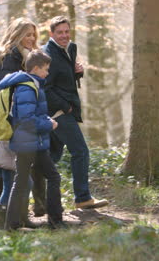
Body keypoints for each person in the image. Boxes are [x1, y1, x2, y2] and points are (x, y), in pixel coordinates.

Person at [42, 16, 108, 209]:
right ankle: (82, 198)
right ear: (51, 34)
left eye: (66, 31)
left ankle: (37, 199)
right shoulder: (48, 54)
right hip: (58, 113)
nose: (64, 35)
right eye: (60, 32)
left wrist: (77, 73)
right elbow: (46, 87)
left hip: (65, 109)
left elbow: (65, 78)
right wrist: (65, 106)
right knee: (80, 152)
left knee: (52, 156)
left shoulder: (70, 48)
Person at [0, 18, 46, 228]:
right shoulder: (8, 58)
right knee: (6, 167)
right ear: (16, 35)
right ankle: (2, 214)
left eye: (33, 35)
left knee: (11, 167)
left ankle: (11, 214)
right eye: (27, 34)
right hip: (7, 122)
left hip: (17, 122)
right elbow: (5, 94)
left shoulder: (27, 57)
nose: (31, 39)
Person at [1, 50, 65, 230]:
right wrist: (48, 125)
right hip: (30, 142)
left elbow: (30, 115)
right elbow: (26, 119)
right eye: (45, 69)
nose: (47, 73)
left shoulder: (29, 84)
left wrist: (45, 120)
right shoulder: (27, 87)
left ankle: (11, 225)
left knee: (20, 181)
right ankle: (55, 222)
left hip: (27, 142)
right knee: (53, 177)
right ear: (36, 68)